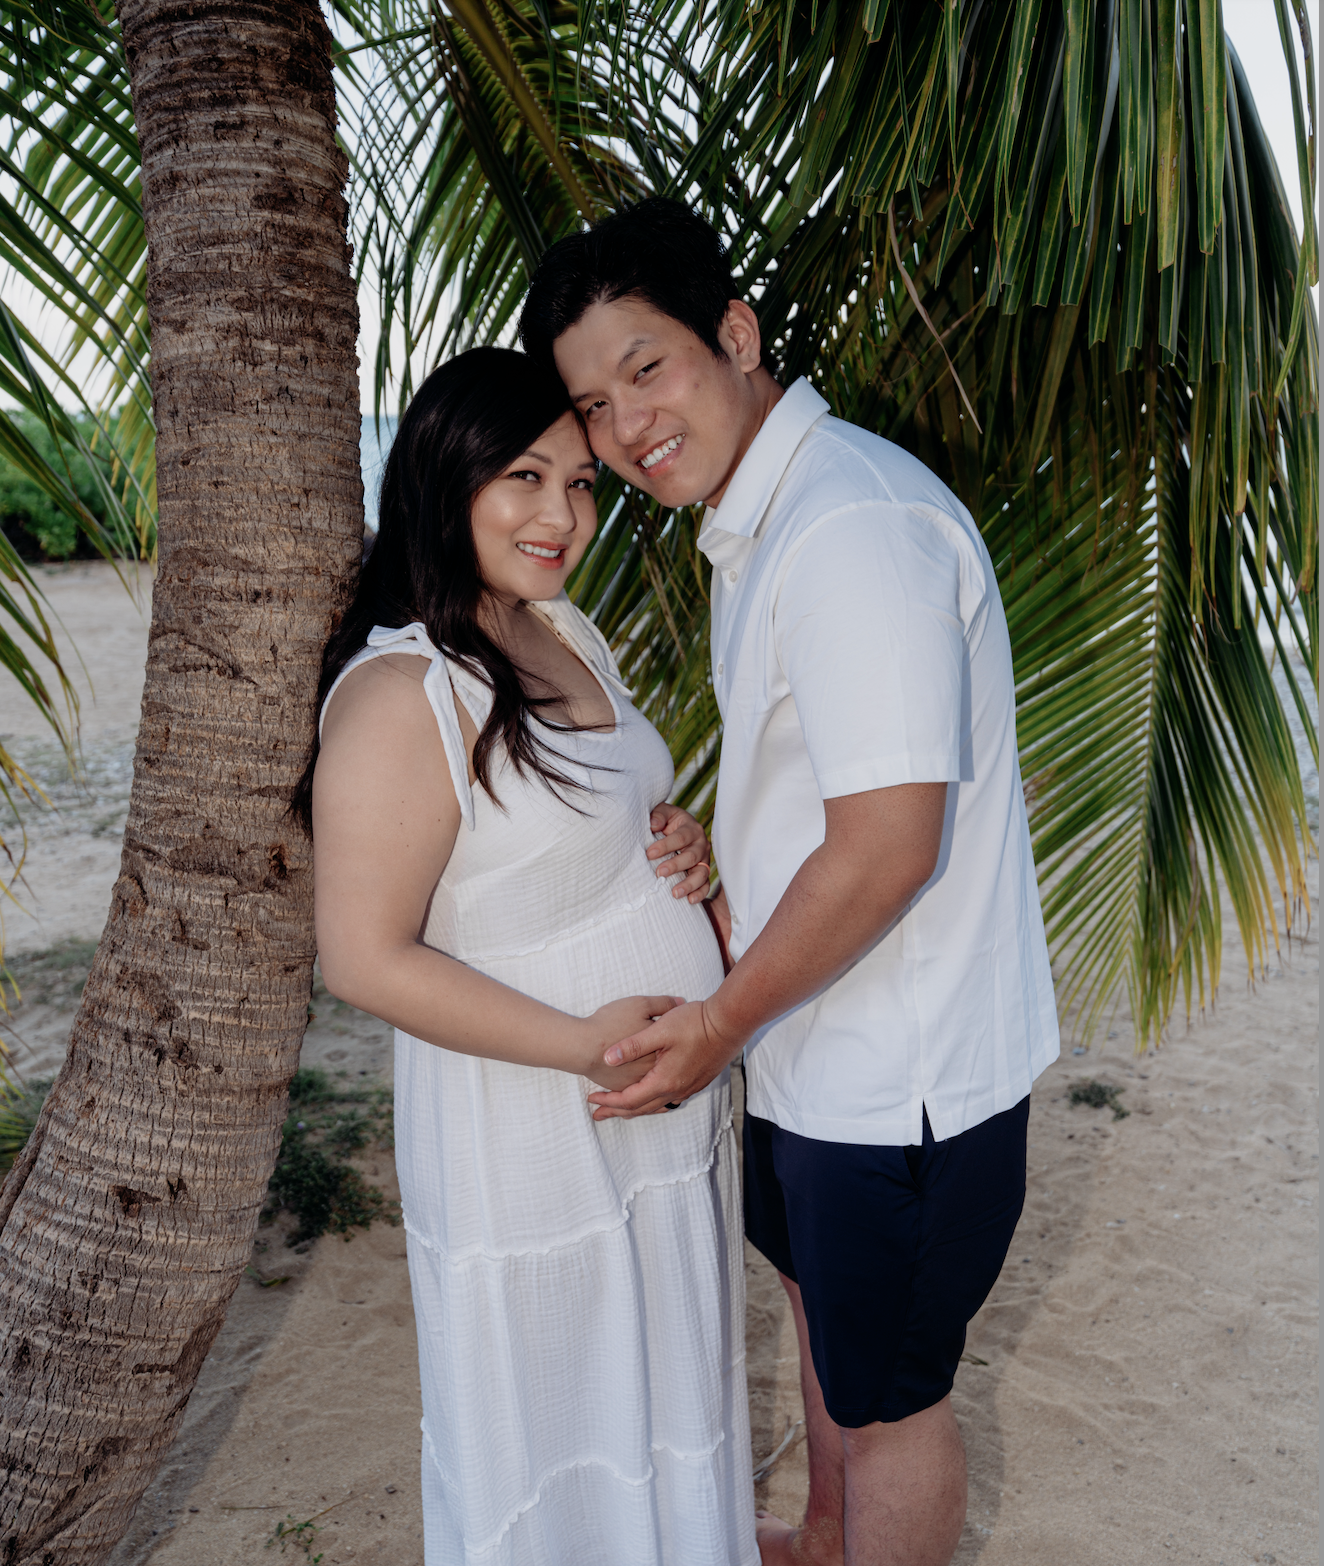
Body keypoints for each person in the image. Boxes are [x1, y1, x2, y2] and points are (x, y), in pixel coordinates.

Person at [519, 198, 1061, 1566]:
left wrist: (713, 1024)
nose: (626, 424)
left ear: (736, 334)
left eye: (649, 367)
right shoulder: (764, 517)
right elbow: (827, 793)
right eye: (591, 403)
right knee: (832, 1329)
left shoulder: (846, 526)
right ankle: (823, 1542)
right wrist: (730, 858)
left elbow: (889, 846)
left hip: (899, 1079)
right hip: (821, 1048)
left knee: (893, 1407)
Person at [294, 346, 758, 1566]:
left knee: (666, 1405)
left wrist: (678, 852)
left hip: (647, 1108)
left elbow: (587, 820)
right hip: (534, 1119)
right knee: (559, 1443)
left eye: (582, 483)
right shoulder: (403, 693)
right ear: (446, 484)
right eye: (524, 477)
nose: (563, 515)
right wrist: (591, 1044)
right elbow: (362, 957)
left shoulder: (555, 625)